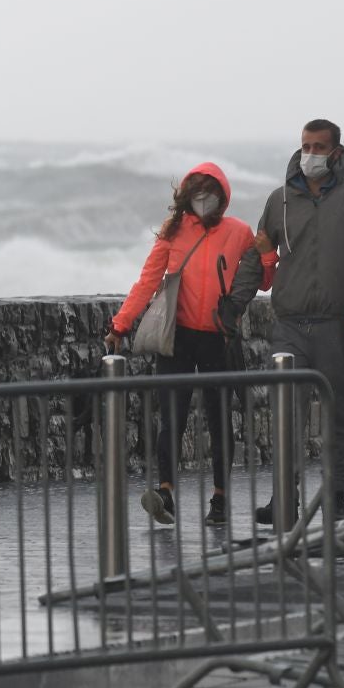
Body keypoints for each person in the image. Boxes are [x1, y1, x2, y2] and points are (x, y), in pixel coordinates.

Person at [229, 119, 344, 524]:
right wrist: (234, 304)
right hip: (289, 325)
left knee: (336, 415)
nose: (311, 154)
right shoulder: (279, 200)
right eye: (305, 146)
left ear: (336, 153)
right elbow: (257, 254)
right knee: (286, 415)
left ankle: (334, 497)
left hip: (338, 326)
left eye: (319, 147)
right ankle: (285, 500)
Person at [104, 162, 269, 527]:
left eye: (210, 193)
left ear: (223, 197)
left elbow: (265, 280)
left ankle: (221, 499)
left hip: (218, 339)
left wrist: (267, 252)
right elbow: (146, 282)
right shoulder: (173, 232)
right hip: (177, 336)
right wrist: (120, 324)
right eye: (196, 193)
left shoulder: (238, 232)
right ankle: (165, 492)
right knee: (171, 418)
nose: (203, 200)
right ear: (186, 196)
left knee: (219, 418)